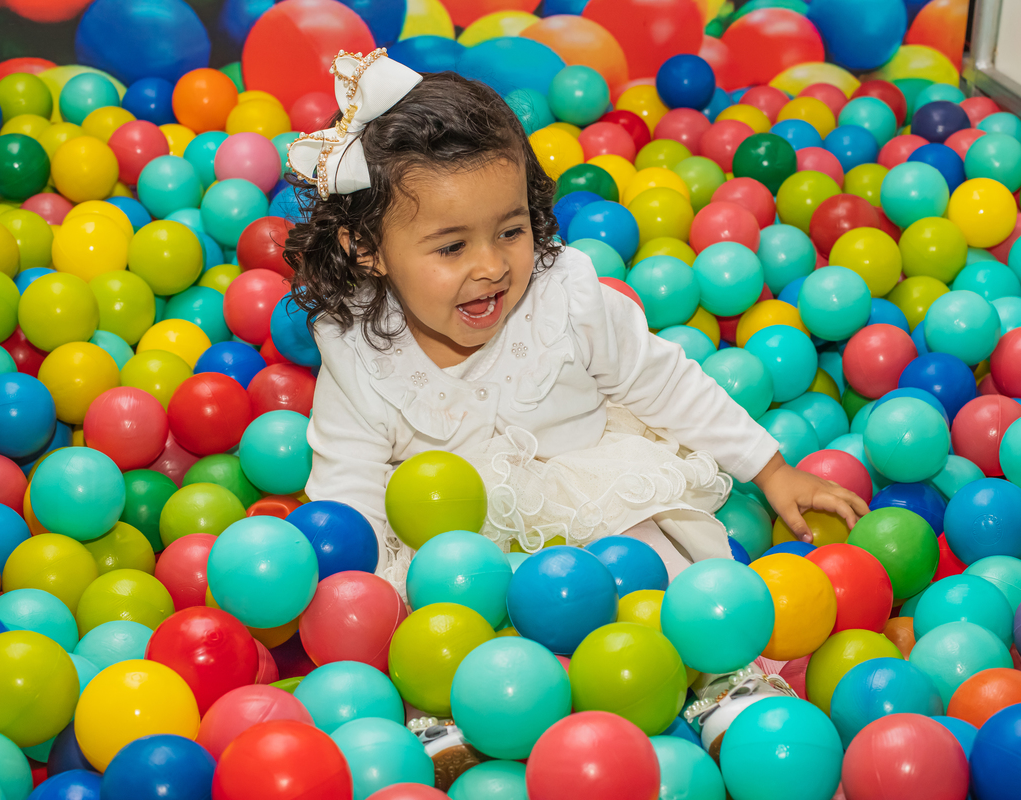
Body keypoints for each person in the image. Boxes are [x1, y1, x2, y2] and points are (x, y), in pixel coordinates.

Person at [286, 50, 868, 591]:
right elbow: (349, 484)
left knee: (659, 583)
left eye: (510, 231)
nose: (491, 267)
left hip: (597, 511)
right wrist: (358, 587)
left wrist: (770, 470)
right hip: (457, 553)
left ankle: (719, 659)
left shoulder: (563, 296)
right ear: (368, 249)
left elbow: (664, 381)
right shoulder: (358, 351)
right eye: (452, 247)